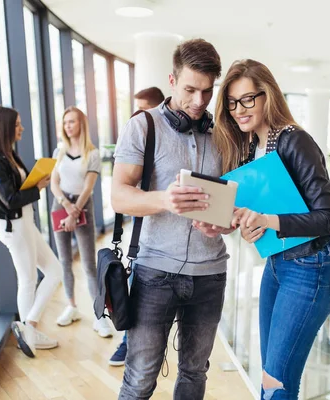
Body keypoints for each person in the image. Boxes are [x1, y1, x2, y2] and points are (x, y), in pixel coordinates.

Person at [213, 59, 330, 400]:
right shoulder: (251, 148)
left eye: (247, 99)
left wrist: (269, 221)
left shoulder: (294, 141)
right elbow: (265, 214)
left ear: (267, 95)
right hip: (278, 265)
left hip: (311, 270)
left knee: (278, 384)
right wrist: (250, 226)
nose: (238, 109)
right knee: (271, 378)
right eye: (231, 102)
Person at [113, 38, 234, 400]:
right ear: (172, 79)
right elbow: (119, 195)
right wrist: (165, 199)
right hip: (154, 272)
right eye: (190, 90)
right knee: (140, 378)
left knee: (195, 373)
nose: (199, 102)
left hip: (211, 274)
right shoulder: (143, 127)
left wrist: (222, 222)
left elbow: (231, 211)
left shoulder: (223, 136)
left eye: (207, 92)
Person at [0, 105, 61, 358]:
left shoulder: (9, 156)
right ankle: (29, 332)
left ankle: (29, 327)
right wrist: (37, 186)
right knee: (27, 281)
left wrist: (37, 183)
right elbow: (11, 199)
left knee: (54, 271)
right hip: (14, 226)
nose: (21, 128)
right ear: (4, 128)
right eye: (17, 125)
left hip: (25, 222)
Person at [108, 85, 165, 367]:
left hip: (164, 234)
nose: (137, 116)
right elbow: (120, 191)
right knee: (133, 290)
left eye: (144, 109)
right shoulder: (134, 133)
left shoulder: (161, 133)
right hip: (140, 230)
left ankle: (131, 343)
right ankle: (126, 342)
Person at [51, 106, 114, 338]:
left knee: (88, 264)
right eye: (65, 122)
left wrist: (75, 211)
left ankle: (100, 317)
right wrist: (67, 207)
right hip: (61, 207)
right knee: (64, 260)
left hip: (83, 207)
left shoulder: (93, 153)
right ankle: (72, 307)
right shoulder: (59, 151)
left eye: (72, 121)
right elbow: (54, 183)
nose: (68, 126)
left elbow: (88, 187)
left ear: (81, 124)